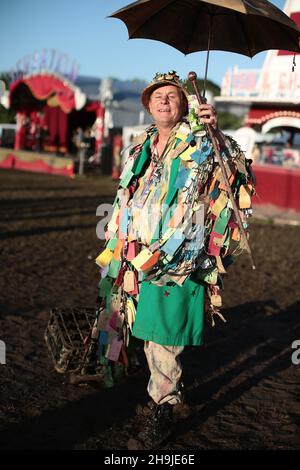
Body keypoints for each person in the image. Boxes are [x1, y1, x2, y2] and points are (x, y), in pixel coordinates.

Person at [93, 71, 254, 450]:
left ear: (185, 104)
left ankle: (162, 408)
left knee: (165, 335)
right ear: (148, 105)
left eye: (173, 96)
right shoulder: (140, 148)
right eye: (158, 96)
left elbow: (238, 175)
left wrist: (217, 136)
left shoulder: (203, 142)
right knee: (147, 331)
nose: (166, 101)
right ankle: (173, 394)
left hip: (180, 258)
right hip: (135, 256)